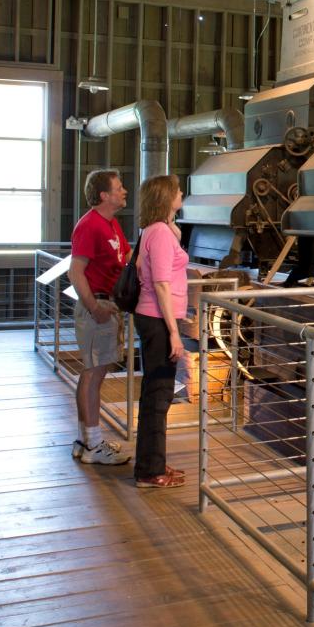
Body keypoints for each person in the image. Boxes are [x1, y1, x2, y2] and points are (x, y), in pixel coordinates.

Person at [67, 169, 131, 465]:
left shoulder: (112, 224)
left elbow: (126, 258)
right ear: (104, 195)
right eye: (119, 188)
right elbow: (75, 271)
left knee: (95, 374)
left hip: (108, 308)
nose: (124, 191)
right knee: (92, 375)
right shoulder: (90, 225)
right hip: (98, 311)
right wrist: (94, 307)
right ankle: (92, 445)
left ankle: (86, 440)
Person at [132, 174, 190, 488]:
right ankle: (149, 472)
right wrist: (174, 333)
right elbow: (162, 285)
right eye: (177, 190)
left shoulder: (154, 231)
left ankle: (153, 464)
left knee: (157, 394)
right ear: (166, 197)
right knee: (158, 396)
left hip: (152, 317)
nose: (182, 192)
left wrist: (171, 223)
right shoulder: (161, 234)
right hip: (159, 320)